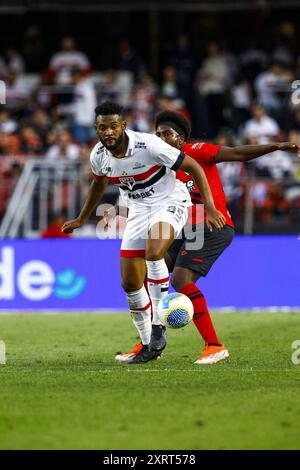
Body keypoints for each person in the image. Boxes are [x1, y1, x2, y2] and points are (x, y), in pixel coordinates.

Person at [106, 110, 299, 364]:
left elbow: (238, 153)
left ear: (181, 139)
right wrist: (119, 211)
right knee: (144, 271)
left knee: (180, 279)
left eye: (167, 133)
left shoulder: (197, 152)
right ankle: (150, 342)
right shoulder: (155, 163)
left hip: (213, 226)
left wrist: (277, 145)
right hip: (182, 229)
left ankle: (214, 345)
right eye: (158, 134)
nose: (161, 138)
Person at [61, 102, 226, 364]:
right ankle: (149, 344)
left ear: (123, 125)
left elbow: (194, 167)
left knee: (154, 252)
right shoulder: (99, 156)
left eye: (113, 126)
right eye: (103, 128)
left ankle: (159, 326)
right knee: (129, 283)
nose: (108, 132)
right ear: (97, 129)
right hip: (138, 209)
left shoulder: (149, 145)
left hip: (170, 200)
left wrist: (211, 208)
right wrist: (81, 218)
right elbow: (98, 184)